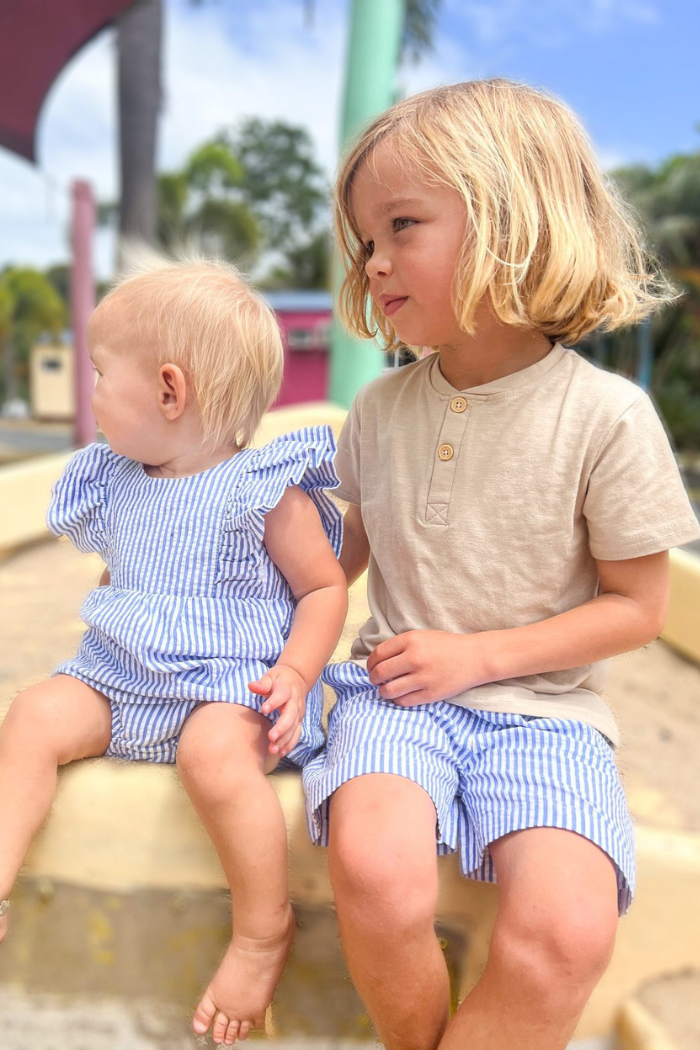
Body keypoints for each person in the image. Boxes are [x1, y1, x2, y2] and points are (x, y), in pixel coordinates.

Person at [303, 79, 700, 1050]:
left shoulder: (606, 418)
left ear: (514, 219)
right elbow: (336, 559)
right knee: (374, 870)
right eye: (366, 240)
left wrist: (479, 658)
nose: (374, 261)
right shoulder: (378, 410)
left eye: (401, 225)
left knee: (564, 934)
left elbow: (637, 608)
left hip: (548, 716)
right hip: (396, 698)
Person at [0, 256, 347, 1047]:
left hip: (227, 687)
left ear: (168, 391)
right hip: (119, 679)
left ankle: (261, 932)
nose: (90, 391)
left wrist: (297, 674)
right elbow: (125, 573)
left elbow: (324, 589)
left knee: (213, 758)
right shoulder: (115, 479)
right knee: (34, 715)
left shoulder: (262, 489)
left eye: (100, 373)